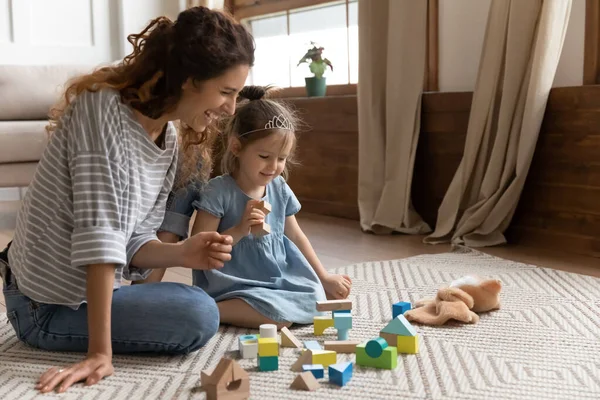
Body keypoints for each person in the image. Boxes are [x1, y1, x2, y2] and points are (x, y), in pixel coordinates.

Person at [0, 6, 254, 394]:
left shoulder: (167, 138)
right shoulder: (101, 109)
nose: (230, 108)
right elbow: (99, 235)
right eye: (226, 92)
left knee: (196, 303)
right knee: (198, 312)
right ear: (189, 80)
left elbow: (133, 240)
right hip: (43, 305)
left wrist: (183, 253)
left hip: (85, 294)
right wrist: (99, 354)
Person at [157, 85, 352, 329]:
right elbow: (200, 246)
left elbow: (297, 236)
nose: (273, 166)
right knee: (276, 319)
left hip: (275, 277)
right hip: (232, 282)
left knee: (315, 298)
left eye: (281, 159)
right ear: (237, 147)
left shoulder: (279, 188)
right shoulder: (218, 191)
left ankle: (259, 307)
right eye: (264, 157)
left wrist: (323, 277)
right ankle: (209, 308)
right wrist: (240, 229)